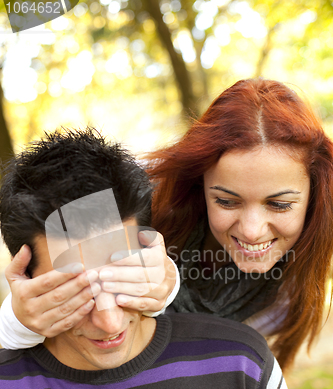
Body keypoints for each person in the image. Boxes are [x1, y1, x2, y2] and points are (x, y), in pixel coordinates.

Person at [0, 129, 314, 389]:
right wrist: (13, 325)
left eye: (122, 279)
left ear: (151, 250)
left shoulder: (242, 368)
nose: (108, 322)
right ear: (24, 278)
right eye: (72, 293)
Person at [1, 78, 333, 371]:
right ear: (199, 185)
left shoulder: (299, 276)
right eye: (227, 201)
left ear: (315, 194)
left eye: (279, 204)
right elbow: (54, 269)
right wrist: (18, 321)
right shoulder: (138, 199)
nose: (251, 230)